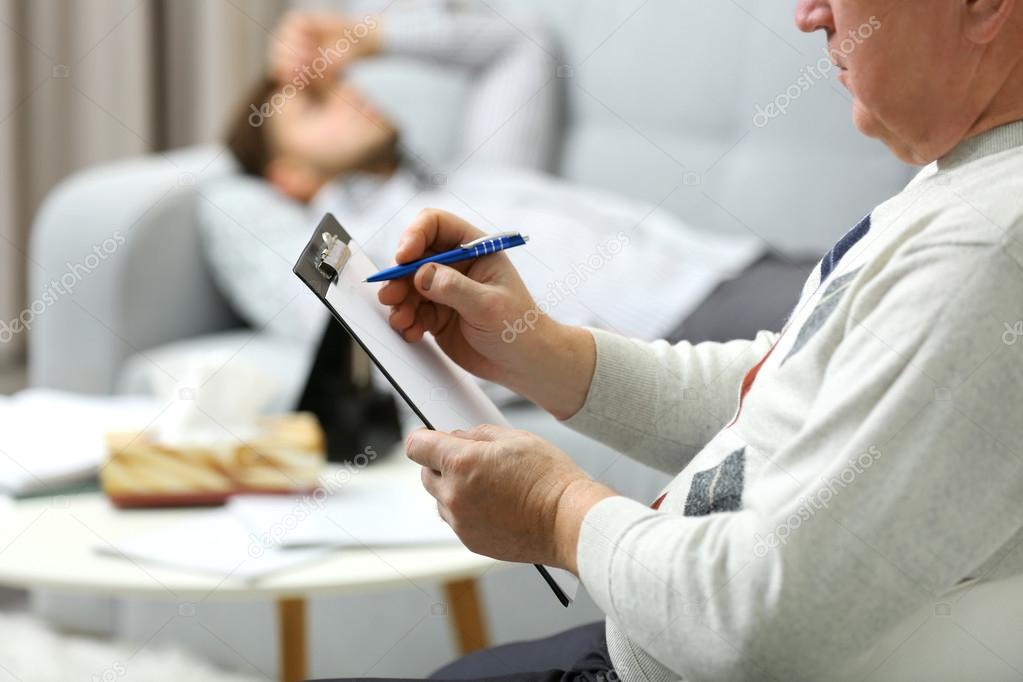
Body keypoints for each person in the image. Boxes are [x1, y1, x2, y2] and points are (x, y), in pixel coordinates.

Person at [317, 0, 1023, 679]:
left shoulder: (983, 247)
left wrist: (555, 512)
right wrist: (540, 350)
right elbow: (796, 389)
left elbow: (765, 622)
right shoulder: (967, 180)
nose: (807, 14)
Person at [225, 9, 814, 351]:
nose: (349, 92)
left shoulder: (480, 170)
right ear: (290, 177)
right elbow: (329, 327)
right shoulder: (365, 247)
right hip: (682, 325)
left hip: (742, 262)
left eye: (338, 81)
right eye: (317, 104)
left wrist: (364, 36)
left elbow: (520, 46)